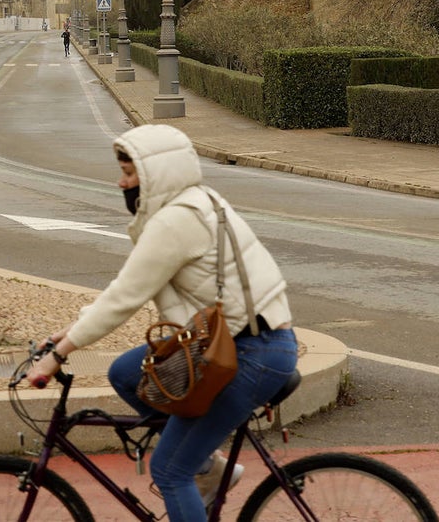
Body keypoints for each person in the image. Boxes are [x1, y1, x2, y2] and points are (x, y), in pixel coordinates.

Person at [27, 124, 297, 521]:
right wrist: (69, 332)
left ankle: (195, 470)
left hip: (249, 352)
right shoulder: (196, 200)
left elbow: (125, 297)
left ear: (157, 175)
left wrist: (58, 355)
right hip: (235, 341)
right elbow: (131, 284)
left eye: (129, 173)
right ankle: (209, 468)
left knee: (169, 471)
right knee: (125, 372)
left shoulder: (176, 221)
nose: (121, 183)